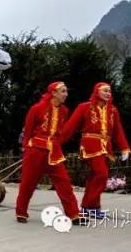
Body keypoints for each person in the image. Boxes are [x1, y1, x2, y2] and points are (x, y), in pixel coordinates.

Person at [15, 81, 83, 225]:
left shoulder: (65, 111)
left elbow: (61, 132)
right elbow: (27, 131)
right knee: (28, 183)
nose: (66, 94)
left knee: (64, 183)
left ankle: (74, 214)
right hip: (35, 151)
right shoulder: (36, 108)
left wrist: (57, 143)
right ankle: (21, 212)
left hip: (54, 153)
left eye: (66, 91)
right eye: (63, 91)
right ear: (53, 93)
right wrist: (26, 148)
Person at [61, 82, 131, 219]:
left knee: (95, 177)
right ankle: (87, 206)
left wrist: (124, 148)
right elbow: (70, 127)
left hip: (106, 146)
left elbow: (118, 131)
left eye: (109, 91)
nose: (108, 93)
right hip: (90, 145)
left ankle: (94, 207)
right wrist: (57, 143)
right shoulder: (84, 107)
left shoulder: (113, 110)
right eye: (105, 91)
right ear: (97, 92)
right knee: (101, 174)